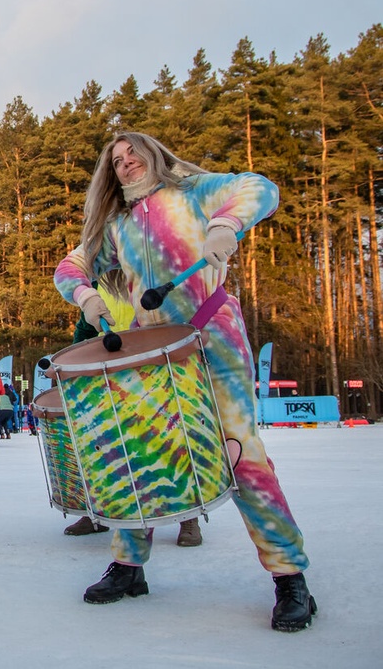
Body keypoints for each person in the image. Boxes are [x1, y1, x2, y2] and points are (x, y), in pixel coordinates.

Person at [54, 131, 316, 631]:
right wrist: (87, 297)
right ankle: (129, 567)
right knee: (139, 456)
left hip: (211, 335)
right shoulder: (116, 225)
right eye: (117, 161)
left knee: (241, 454)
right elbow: (71, 266)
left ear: (152, 154)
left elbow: (261, 187)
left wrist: (224, 225)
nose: (127, 163)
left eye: (133, 154)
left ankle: (289, 577)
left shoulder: (194, 193)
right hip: (150, 351)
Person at [62, 272, 201, 546]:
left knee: (171, 443)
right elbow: (85, 331)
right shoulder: (96, 284)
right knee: (105, 448)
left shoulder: (149, 271)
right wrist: (73, 361)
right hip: (113, 373)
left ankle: (189, 516)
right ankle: (99, 513)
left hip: (156, 369)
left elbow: (179, 319)